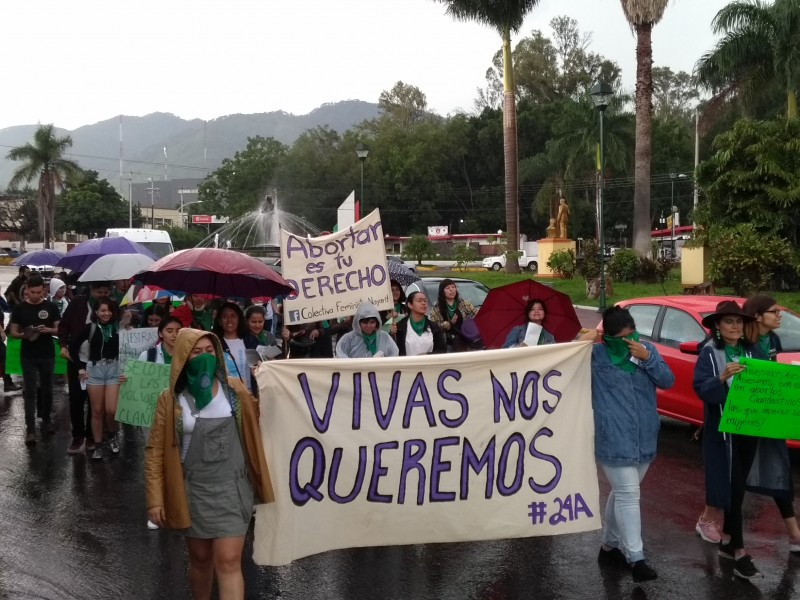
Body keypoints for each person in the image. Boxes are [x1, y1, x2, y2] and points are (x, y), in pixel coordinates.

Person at [145, 329, 274, 599]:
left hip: (233, 488)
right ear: (183, 357)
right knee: (201, 560)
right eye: (196, 352)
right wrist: (155, 499)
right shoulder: (169, 400)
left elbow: (263, 415)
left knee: (228, 561)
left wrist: (267, 380)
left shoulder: (235, 390)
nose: (204, 357)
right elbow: (155, 451)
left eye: (209, 351)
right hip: (192, 490)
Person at [589, 306, 674, 583]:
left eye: (632, 334)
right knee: (628, 494)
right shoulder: (595, 355)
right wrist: (581, 340)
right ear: (609, 337)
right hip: (613, 436)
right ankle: (636, 558)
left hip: (645, 435)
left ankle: (608, 547)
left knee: (623, 492)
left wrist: (647, 357)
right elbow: (560, 364)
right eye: (622, 337)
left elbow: (667, 380)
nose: (629, 341)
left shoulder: (645, 349)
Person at [693, 300, 765, 579]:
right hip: (723, 432)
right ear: (717, 328)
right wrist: (721, 378)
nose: (735, 327)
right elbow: (702, 389)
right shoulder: (709, 355)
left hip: (749, 429)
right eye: (729, 322)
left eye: (738, 322)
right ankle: (739, 550)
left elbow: (766, 383)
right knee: (732, 489)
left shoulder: (752, 350)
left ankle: (726, 544)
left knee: (739, 487)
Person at [742, 295, 800, 554]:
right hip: (744, 421)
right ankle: (709, 520)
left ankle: (794, 534)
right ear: (757, 316)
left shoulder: (774, 340)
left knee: (779, 469)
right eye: (774, 312)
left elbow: (773, 376)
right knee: (735, 476)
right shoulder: (742, 341)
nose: (780, 316)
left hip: (769, 419)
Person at [59, 281, 112, 455]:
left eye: (105, 292)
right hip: (76, 359)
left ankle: (91, 435)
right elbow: (64, 325)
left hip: (99, 362)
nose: (102, 295)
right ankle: (77, 436)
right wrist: (63, 345)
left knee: (95, 403)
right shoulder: (77, 303)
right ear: (91, 289)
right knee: (76, 398)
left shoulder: (110, 307)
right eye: (99, 291)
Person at [9, 274, 61, 445]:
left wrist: (47, 330)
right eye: (33, 292)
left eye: (39, 292)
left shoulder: (51, 307)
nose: (36, 295)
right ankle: (30, 429)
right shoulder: (19, 309)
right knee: (30, 392)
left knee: (47, 390)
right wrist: (25, 335)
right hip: (28, 356)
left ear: (44, 290)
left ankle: (46, 420)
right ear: (27, 291)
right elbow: (13, 332)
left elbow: (59, 330)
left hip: (47, 354)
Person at [69, 298, 122, 460]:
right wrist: (80, 367)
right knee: (97, 411)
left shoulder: (119, 329)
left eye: (109, 310)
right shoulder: (90, 328)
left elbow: (128, 350)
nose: (106, 314)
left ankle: (112, 435)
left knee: (111, 410)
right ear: (96, 312)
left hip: (114, 369)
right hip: (95, 370)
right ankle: (98, 444)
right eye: (102, 310)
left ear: (113, 312)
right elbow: (73, 347)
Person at [212, 302, 252, 393]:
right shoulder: (214, 344)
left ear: (239, 319)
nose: (229, 320)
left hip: (249, 395)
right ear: (219, 321)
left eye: (233, 316)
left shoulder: (250, 341)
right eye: (225, 317)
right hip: (227, 395)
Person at [430, 278, 478, 352]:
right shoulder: (437, 308)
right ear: (442, 291)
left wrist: (470, 323)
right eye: (448, 288)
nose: (451, 290)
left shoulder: (462, 303)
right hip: (446, 343)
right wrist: (449, 323)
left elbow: (476, 314)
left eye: (453, 287)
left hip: (463, 340)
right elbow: (434, 327)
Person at [394, 291, 446, 356]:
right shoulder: (400, 327)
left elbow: (442, 351)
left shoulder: (434, 327)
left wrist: (427, 355)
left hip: (429, 364)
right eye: (419, 301)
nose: (423, 303)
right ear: (410, 305)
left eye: (425, 301)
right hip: (407, 365)